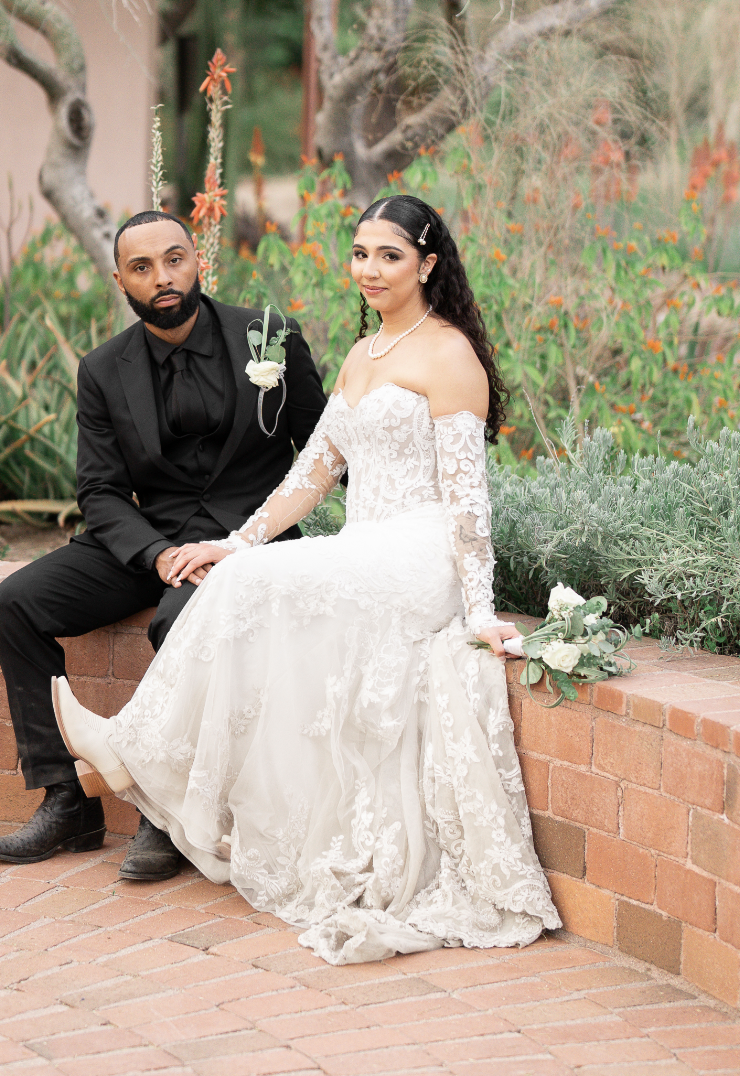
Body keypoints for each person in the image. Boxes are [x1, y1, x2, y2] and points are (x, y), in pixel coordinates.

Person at [51, 194, 562, 965]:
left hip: (418, 555)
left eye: (389, 256)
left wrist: (481, 609)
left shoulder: (451, 355)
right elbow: (312, 475)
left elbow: (467, 503)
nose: (370, 271)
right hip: (366, 547)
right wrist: (236, 540)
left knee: (253, 586)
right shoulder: (364, 354)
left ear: (427, 264)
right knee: (242, 574)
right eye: (360, 254)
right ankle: (140, 755)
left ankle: (132, 748)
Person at [0, 211, 329, 878]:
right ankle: (66, 799)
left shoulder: (270, 337)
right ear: (121, 280)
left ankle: (164, 817)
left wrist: (248, 540)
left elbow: (318, 454)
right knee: (15, 604)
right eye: (142, 268)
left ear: (197, 259)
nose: (162, 278)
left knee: (178, 622)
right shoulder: (103, 370)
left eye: (174, 259)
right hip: (153, 544)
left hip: (245, 544)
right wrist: (157, 554)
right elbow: (102, 491)